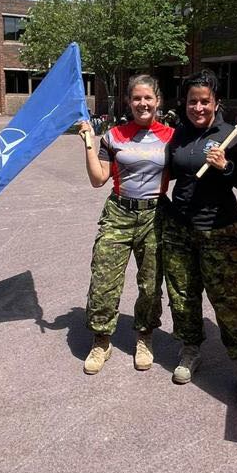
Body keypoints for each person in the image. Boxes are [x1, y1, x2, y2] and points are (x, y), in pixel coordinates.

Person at [163, 69, 237, 409]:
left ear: (216, 102)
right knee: (183, 296)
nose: (199, 107)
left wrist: (226, 167)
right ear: (185, 103)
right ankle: (190, 349)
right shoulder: (177, 136)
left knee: (230, 301)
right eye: (193, 101)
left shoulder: (232, 137)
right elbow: (169, 174)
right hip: (181, 231)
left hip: (222, 232)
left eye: (205, 101)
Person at [77, 75, 174, 375]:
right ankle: (101, 339)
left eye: (148, 98)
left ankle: (144, 336)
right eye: (136, 99)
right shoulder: (114, 136)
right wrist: (89, 143)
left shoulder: (172, 136)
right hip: (118, 213)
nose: (142, 104)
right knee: (104, 279)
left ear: (157, 101)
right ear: (128, 102)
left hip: (155, 215)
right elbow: (98, 179)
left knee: (150, 283)